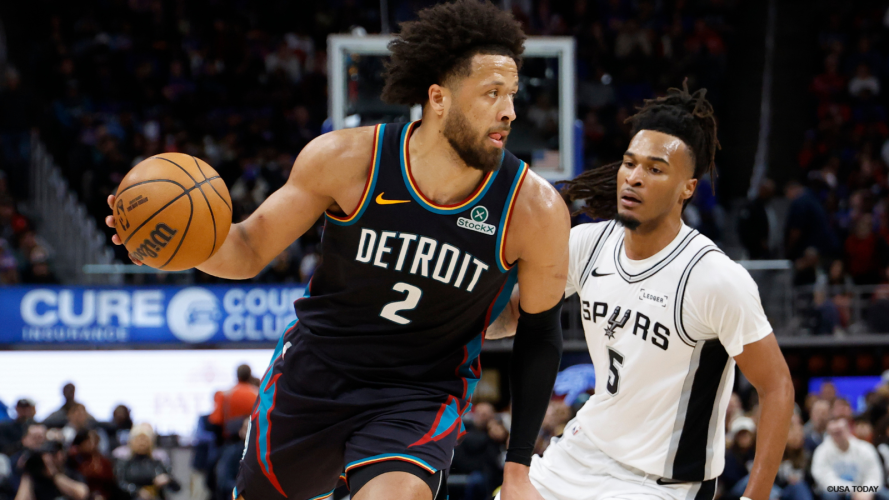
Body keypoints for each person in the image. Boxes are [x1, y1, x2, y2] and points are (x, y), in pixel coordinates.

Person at [105, 2, 569, 500]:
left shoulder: (534, 209)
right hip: (315, 376)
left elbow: (541, 333)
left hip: (418, 393)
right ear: (438, 98)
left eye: (513, 94)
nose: (509, 111)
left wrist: (518, 468)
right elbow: (247, 247)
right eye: (492, 93)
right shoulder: (347, 160)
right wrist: (173, 246)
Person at [491, 83, 795, 500]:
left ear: (687, 188)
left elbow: (777, 388)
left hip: (661, 483)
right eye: (630, 163)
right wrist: (454, 306)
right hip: (580, 453)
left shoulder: (714, 278)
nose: (633, 177)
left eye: (655, 170)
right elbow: (513, 315)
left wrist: (753, 498)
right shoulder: (588, 244)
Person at [812, 417, 885, 500]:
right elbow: (825, 482)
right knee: (830, 495)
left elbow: (874, 477)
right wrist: (854, 490)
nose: (837, 436)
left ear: (848, 430)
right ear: (828, 433)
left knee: (884, 494)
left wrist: (865, 492)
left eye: (840, 432)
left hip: (865, 491)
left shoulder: (866, 449)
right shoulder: (821, 452)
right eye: (834, 433)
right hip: (837, 492)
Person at [114, 425, 179, 500]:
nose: (142, 443)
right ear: (131, 441)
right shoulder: (124, 463)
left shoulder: (157, 463)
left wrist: (168, 479)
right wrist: (137, 491)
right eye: (139, 439)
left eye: (145, 440)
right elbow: (119, 484)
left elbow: (177, 487)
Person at [14, 440, 89, 500]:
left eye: (53, 455)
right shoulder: (34, 478)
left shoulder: (72, 474)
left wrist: (54, 475)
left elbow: (82, 494)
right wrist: (27, 472)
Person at [208, 365, 258, 438]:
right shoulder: (257, 394)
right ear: (250, 375)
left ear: (237, 375)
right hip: (253, 438)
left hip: (230, 439)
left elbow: (215, 419)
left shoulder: (225, 395)